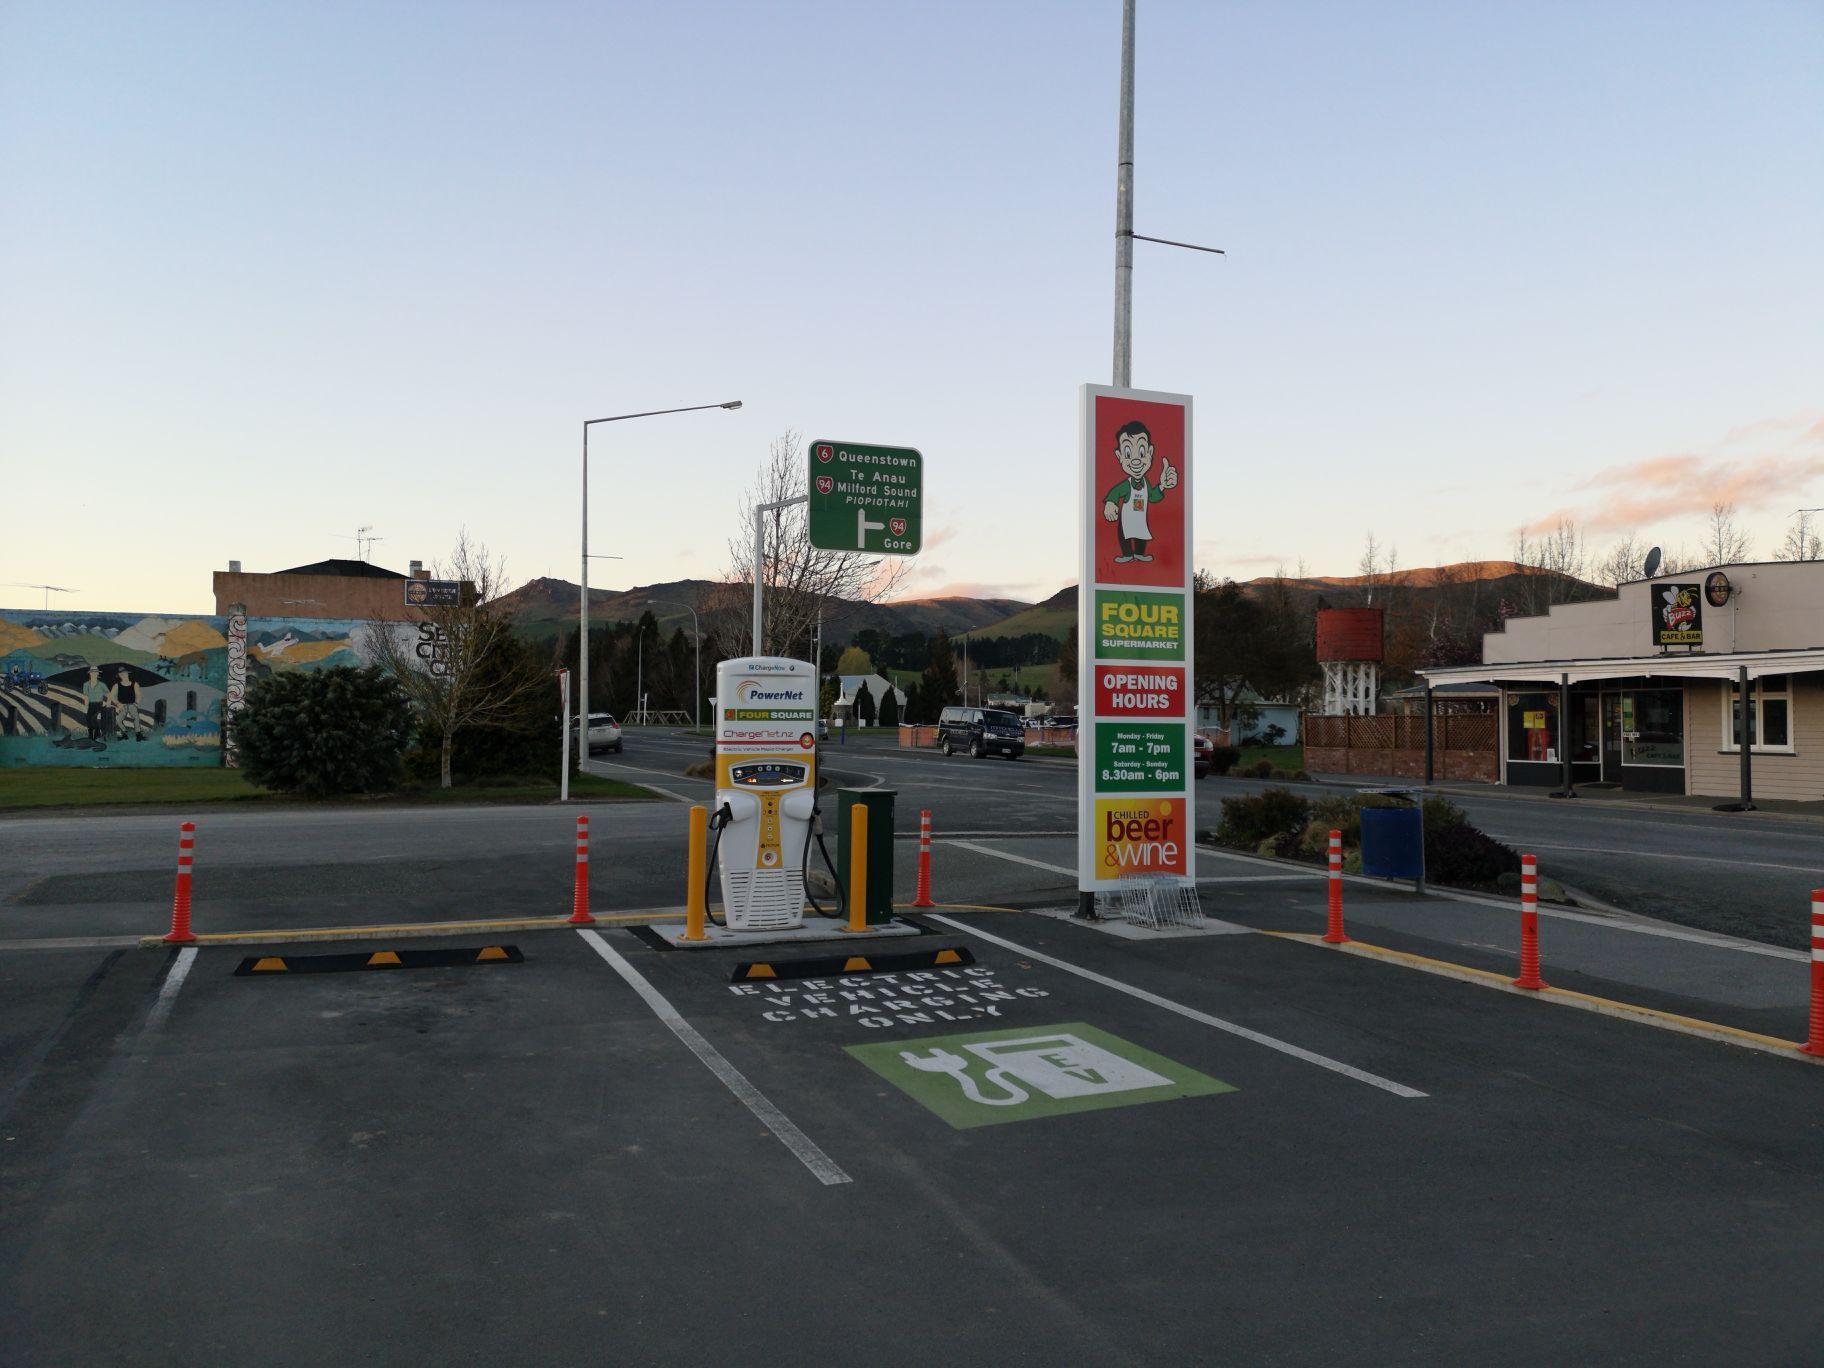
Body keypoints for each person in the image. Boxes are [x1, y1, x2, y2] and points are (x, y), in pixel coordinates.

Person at [1100, 419, 1177, 563]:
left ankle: (1140, 553)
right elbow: (1115, 492)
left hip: (1140, 519)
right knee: (1125, 536)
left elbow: (1153, 497)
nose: (1136, 460)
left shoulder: (1146, 483)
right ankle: (1127, 554)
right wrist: (1110, 503)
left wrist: (1162, 485)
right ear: (1119, 456)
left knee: (1141, 534)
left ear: (1150, 452)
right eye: (1128, 453)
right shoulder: (1127, 484)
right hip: (1126, 520)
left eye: (1141, 452)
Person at [112, 666, 146, 741]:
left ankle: (138, 735)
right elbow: (113, 697)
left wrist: (136, 703)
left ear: (127, 674)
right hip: (122, 706)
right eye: (121, 674)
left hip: (132, 705)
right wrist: (118, 704)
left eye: (124, 673)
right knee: (118, 721)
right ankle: (124, 733)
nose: (123, 675)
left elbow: (138, 695)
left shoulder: (135, 684)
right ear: (119, 676)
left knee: (136, 718)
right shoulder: (116, 685)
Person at [81, 665, 108, 742]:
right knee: (88, 719)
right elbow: (86, 696)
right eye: (92, 672)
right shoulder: (86, 684)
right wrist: (86, 707)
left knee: (93, 718)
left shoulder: (102, 684)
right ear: (90, 674)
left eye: (95, 672)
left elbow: (109, 694)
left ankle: (96, 735)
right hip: (90, 704)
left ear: (98, 674)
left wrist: (107, 703)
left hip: (99, 704)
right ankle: (91, 735)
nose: (93, 674)